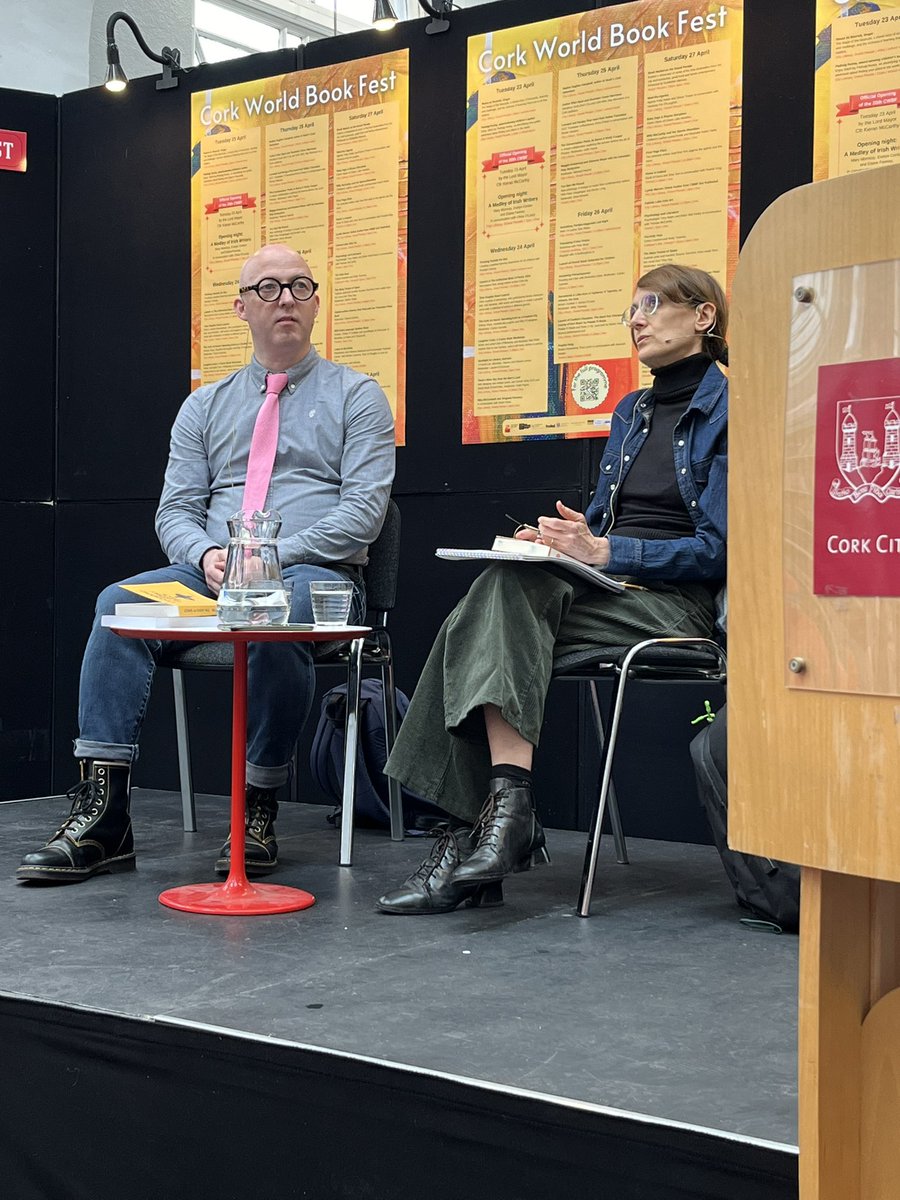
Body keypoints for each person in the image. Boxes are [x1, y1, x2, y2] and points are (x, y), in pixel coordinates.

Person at [18, 243, 396, 884]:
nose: (286, 300)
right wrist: (209, 555)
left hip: (316, 576)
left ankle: (258, 804)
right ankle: (105, 815)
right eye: (270, 288)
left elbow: (364, 514)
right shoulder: (204, 407)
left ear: (315, 304)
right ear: (240, 307)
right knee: (118, 604)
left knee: (279, 610)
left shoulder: (358, 397)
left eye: (300, 287)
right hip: (213, 575)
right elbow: (174, 513)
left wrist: (267, 559)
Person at [377, 262, 727, 915]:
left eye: (652, 305)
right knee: (503, 587)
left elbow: (722, 549)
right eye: (631, 309)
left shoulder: (732, 409)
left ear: (703, 317)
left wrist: (607, 549)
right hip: (606, 587)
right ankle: (502, 817)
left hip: (675, 605)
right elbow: (606, 519)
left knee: (473, 624)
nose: (636, 319)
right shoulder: (633, 410)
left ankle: (479, 833)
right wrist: (568, 539)